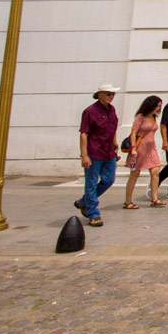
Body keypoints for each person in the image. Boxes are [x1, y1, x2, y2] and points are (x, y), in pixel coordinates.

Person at [75, 83, 120, 227]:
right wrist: (84, 155)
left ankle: (83, 202)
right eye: (108, 94)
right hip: (94, 151)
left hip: (108, 152)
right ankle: (93, 212)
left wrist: (115, 144)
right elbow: (84, 133)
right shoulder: (90, 111)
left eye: (112, 94)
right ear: (99, 95)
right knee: (91, 182)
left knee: (109, 179)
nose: (111, 97)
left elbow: (112, 129)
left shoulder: (112, 110)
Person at [124, 95, 166, 209]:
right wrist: (133, 148)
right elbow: (133, 133)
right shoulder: (140, 117)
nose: (158, 108)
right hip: (139, 148)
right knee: (134, 174)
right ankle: (128, 201)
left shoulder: (154, 117)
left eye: (159, 106)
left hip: (151, 148)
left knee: (155, 171)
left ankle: (154, 198)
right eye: (157, 106)